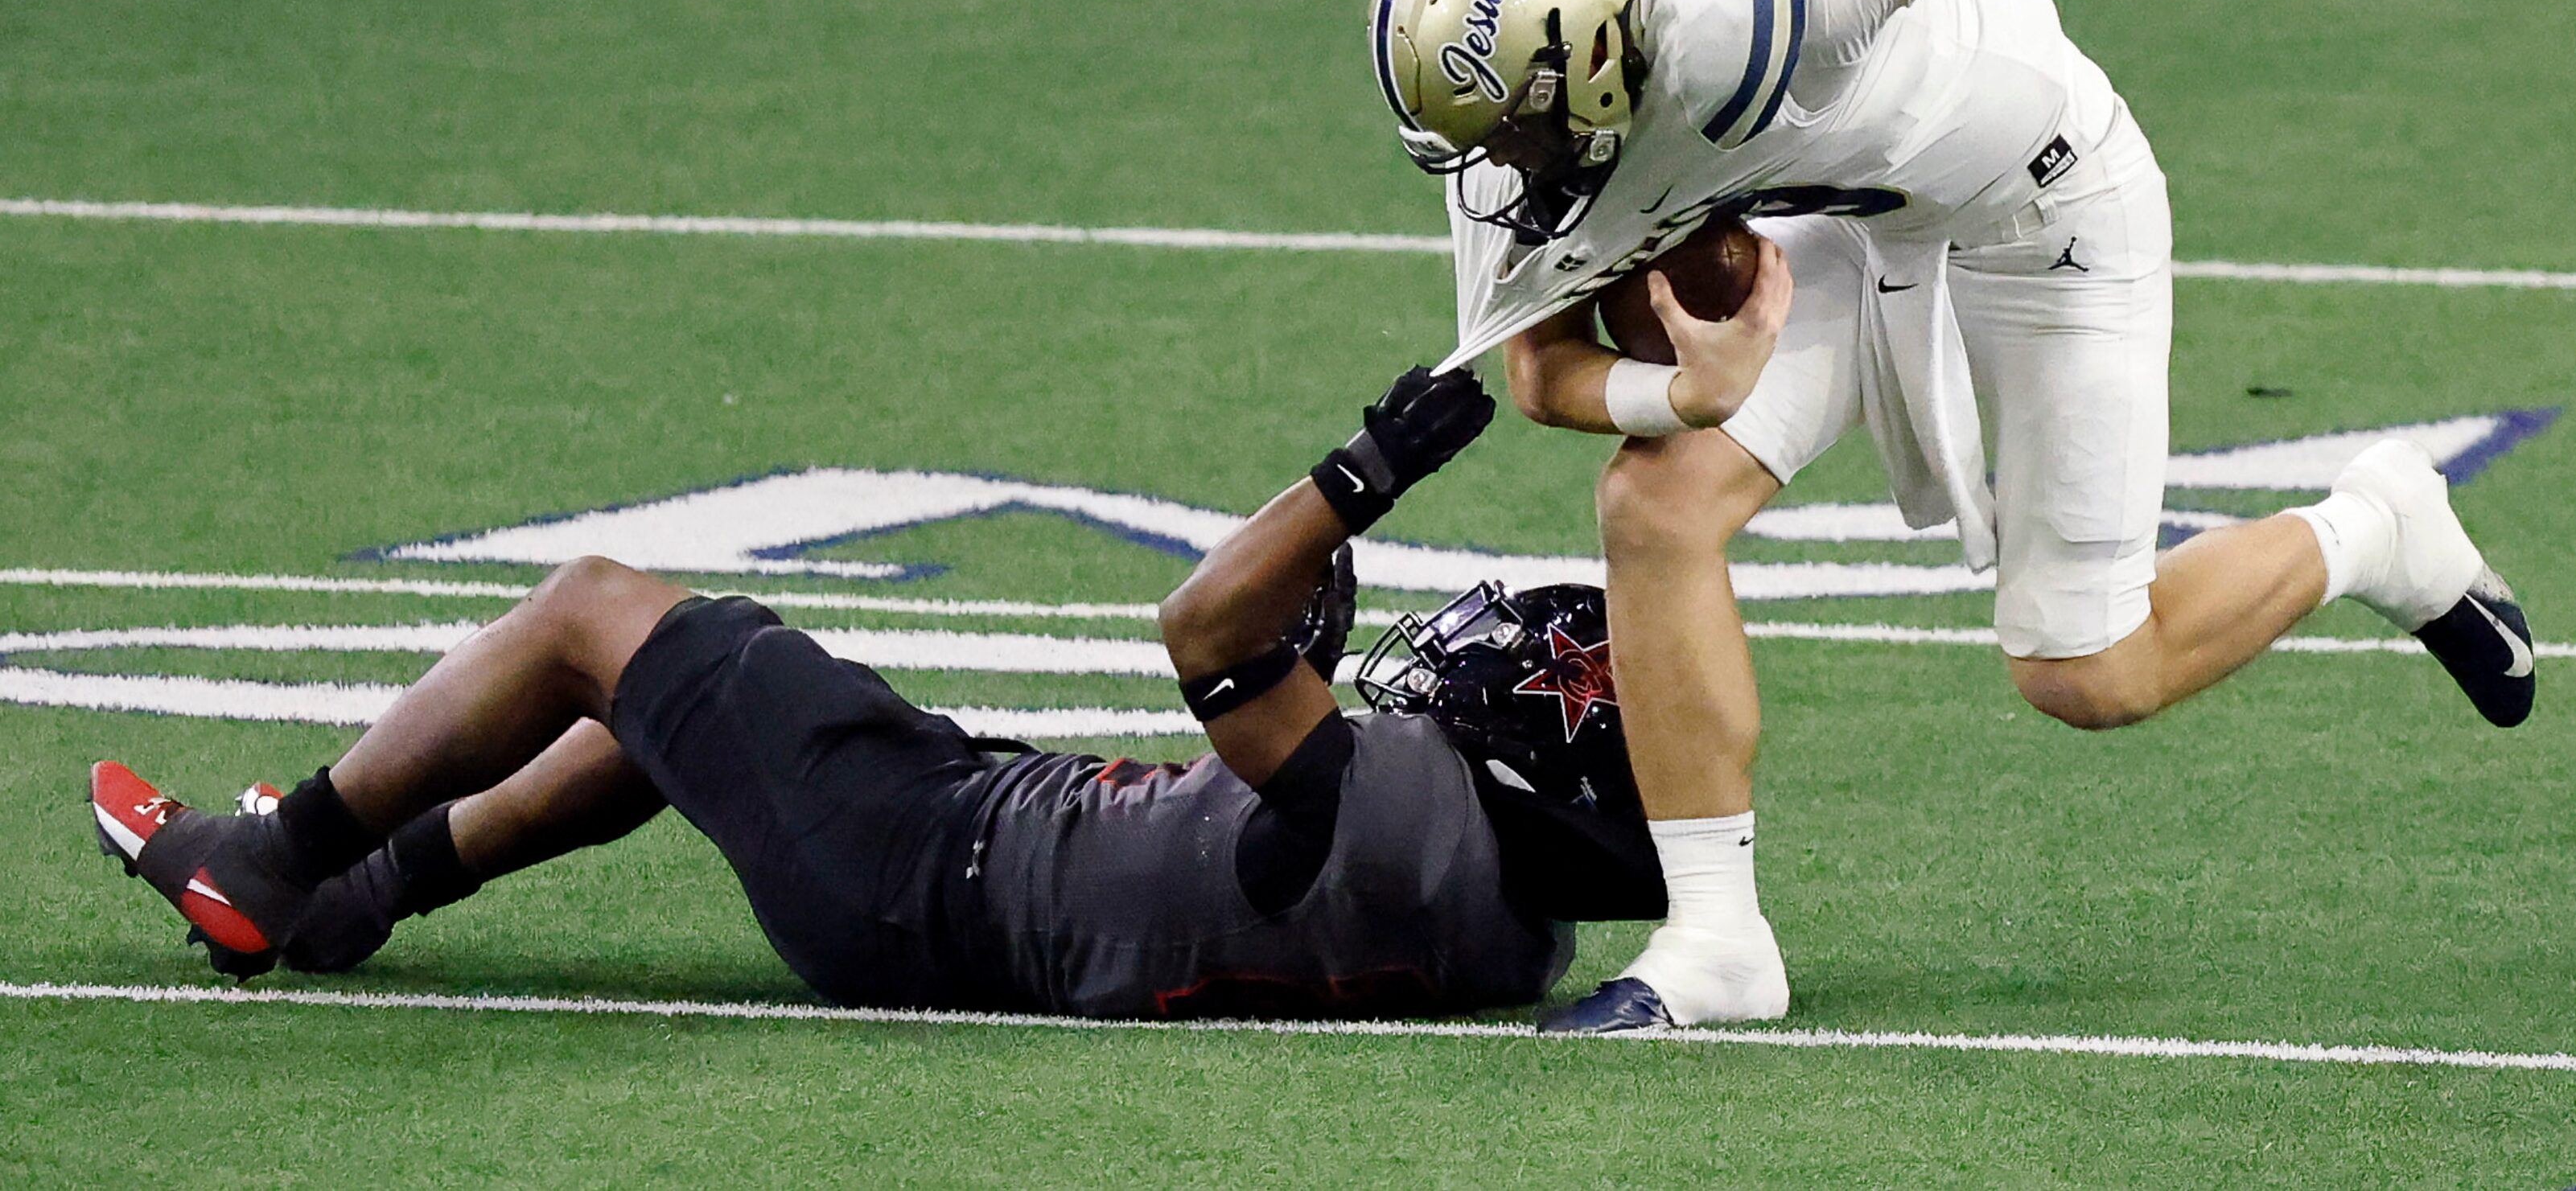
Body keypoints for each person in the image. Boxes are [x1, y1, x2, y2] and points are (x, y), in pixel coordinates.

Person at [1368, 0, 2537, 1031]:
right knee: (1653, 500)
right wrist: (1685, 396)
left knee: (2085, 671)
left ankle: (2377, 530)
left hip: (2046, 198)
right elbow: (1542, 370)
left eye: (1511, 121)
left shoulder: (1754, 1)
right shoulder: (1510, 161)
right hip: (1856, 222)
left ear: (1593, 57)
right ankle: (1718, 941)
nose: (1495, 160)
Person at [89, 367, 1669, 1021]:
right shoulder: (1507, 929)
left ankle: (279, 858)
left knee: (595, 617)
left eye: (1489, 676)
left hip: (926, 857)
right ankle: (374, 893)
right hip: (973, 875)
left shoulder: (1397, 807)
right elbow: (1279, 808)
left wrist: (1365, 471)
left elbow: (1201, 628)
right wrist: (1300, 669)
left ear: (1538, 748)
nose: (1447, 681)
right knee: (685, 711)